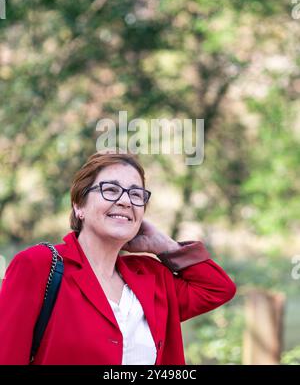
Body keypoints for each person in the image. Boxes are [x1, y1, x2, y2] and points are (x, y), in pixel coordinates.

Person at [0, 151, 236, 365]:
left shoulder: (153, 277)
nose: (125, 201)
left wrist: (166, 246)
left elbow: (217, 289)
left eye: (135, 194)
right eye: (110, 190)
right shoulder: (39, 265)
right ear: (79, 205)